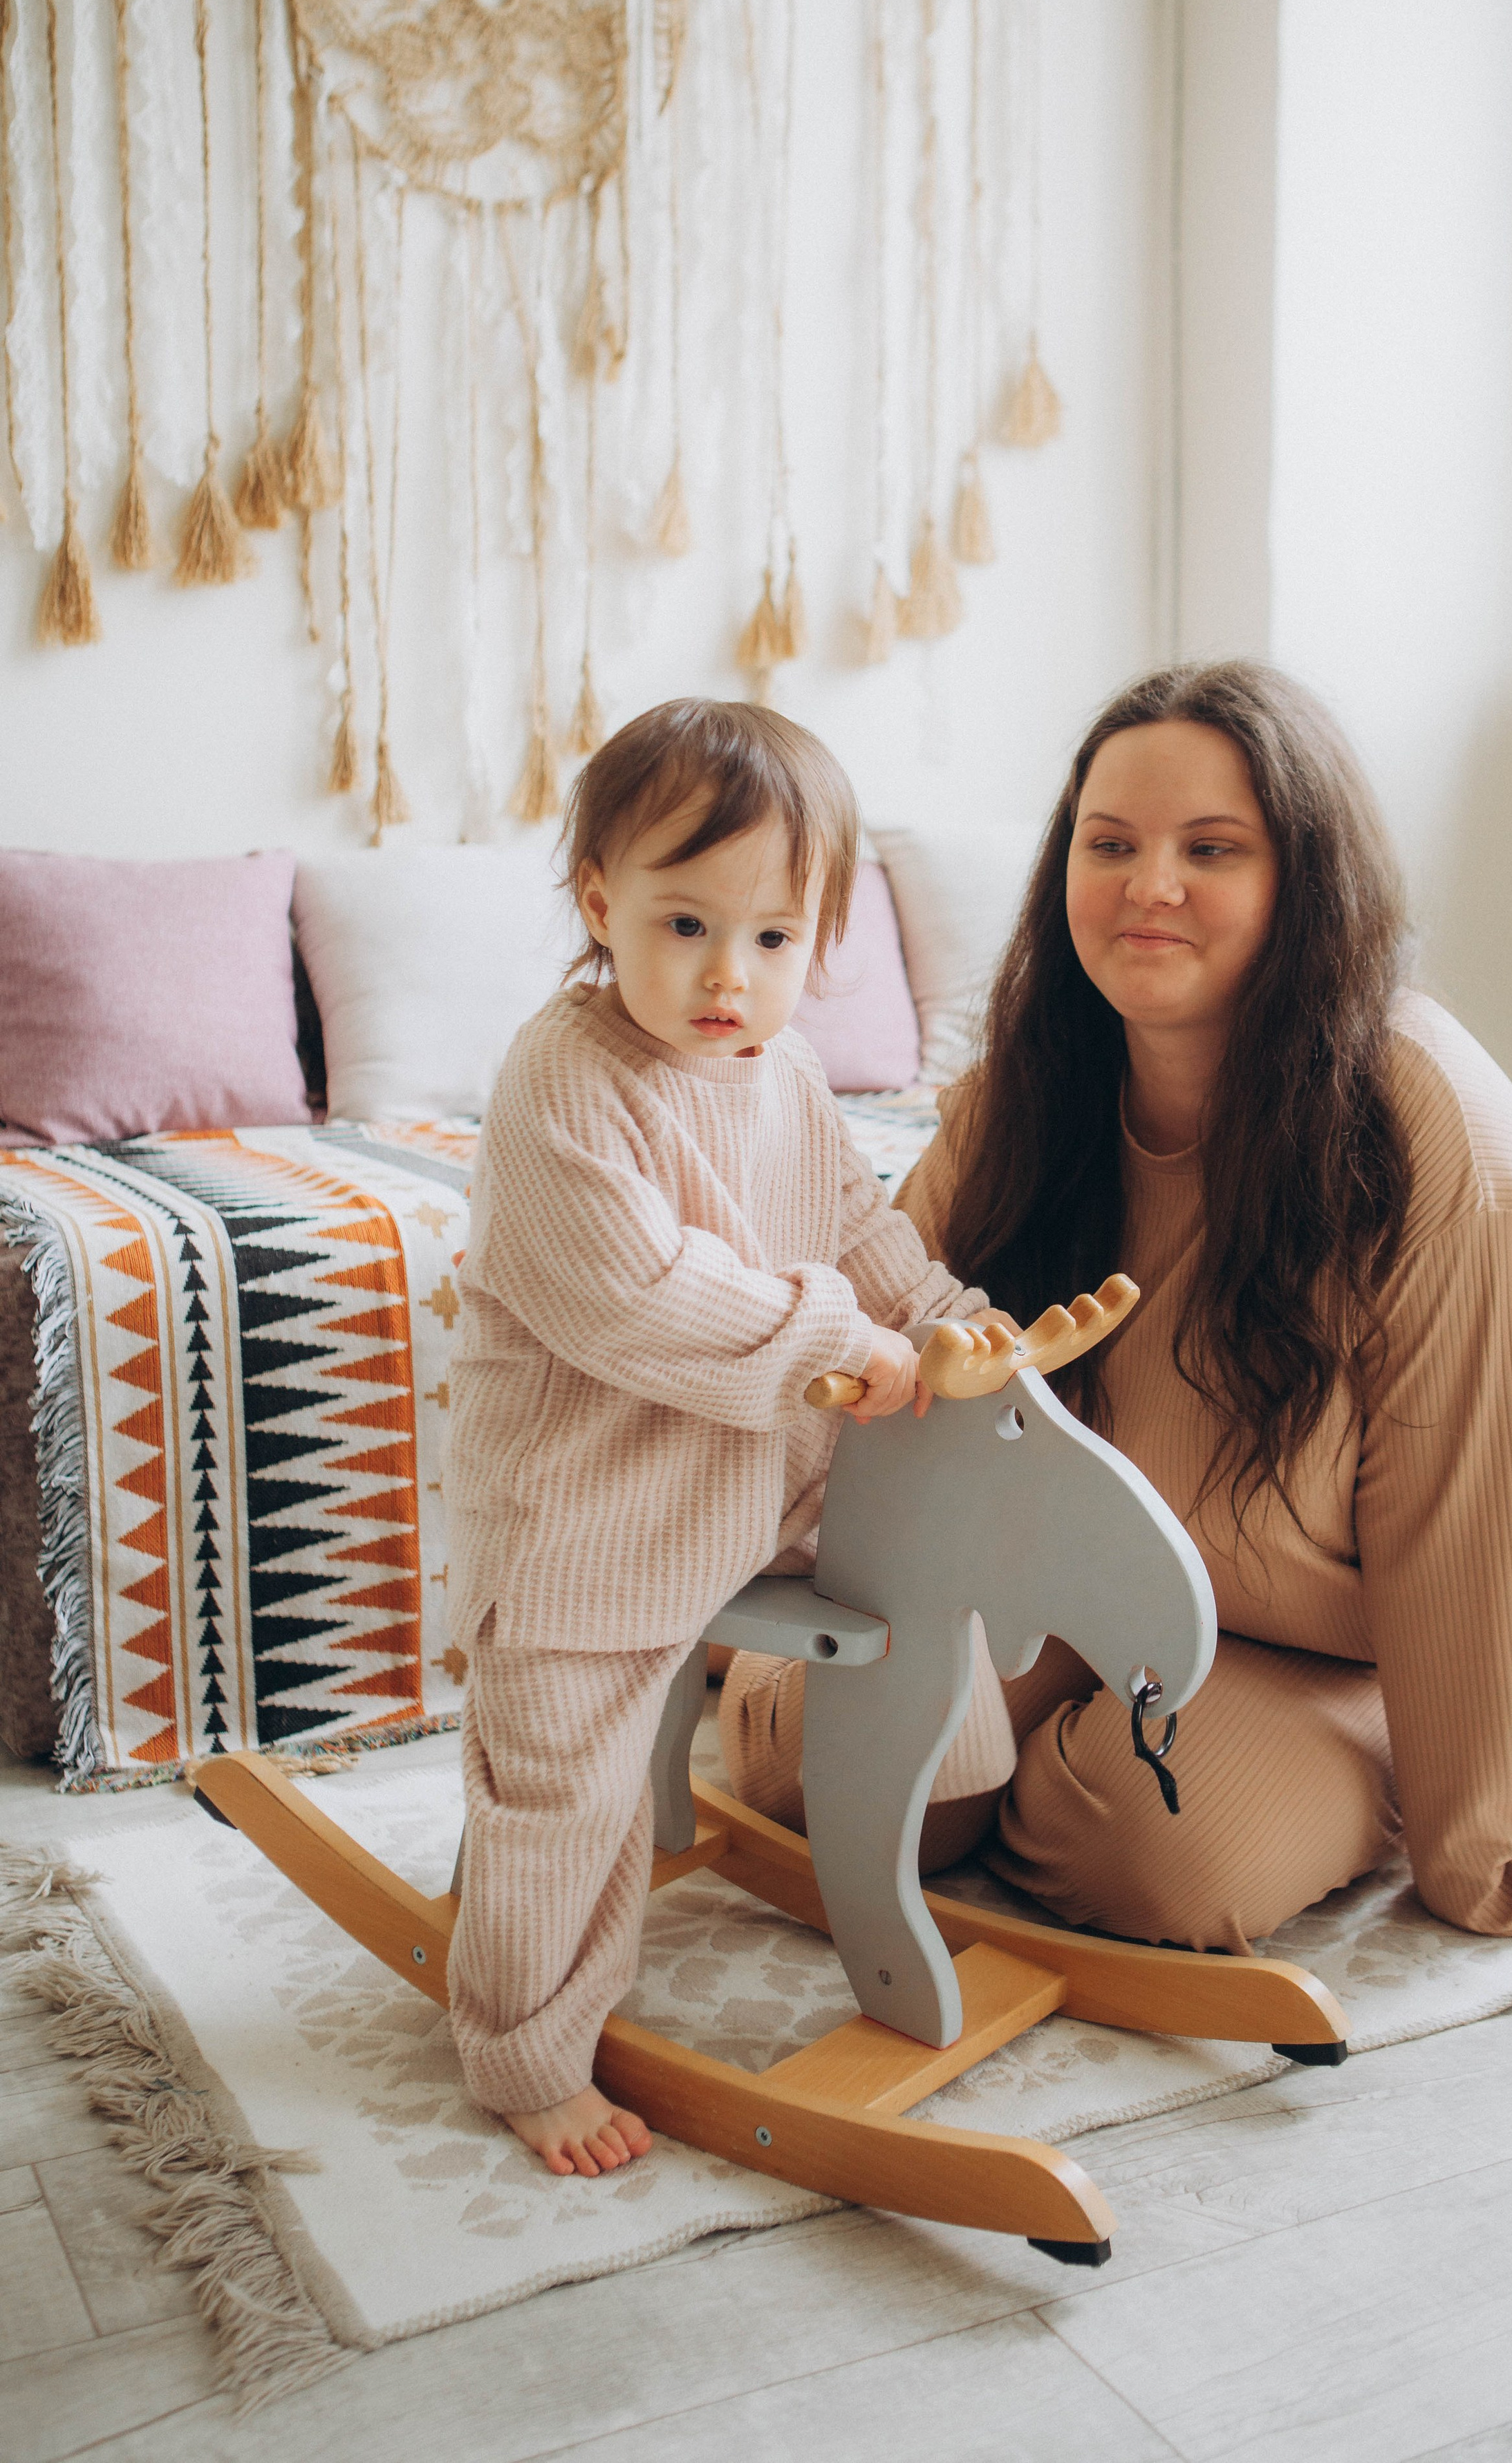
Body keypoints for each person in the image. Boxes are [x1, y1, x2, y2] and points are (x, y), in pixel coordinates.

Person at [722, 661, 1512, 1952]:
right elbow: (885, 1352)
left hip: (1322, 1646)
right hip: (1058, 1576)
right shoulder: (1028, 1088)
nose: (1151, 886)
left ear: (1304, 883)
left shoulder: (1440, 1139)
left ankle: (1318, 1777)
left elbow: (1460, 1520)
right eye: (1112, 845)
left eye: (1212, 849)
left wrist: (1477, 1843)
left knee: (1138, 1845)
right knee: (807, 1764)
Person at [445, 698, 997, 2179]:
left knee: (942, 1530)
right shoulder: (563, 1079)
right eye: (684, 924)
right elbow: (634, 1296)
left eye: (771, 940)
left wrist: (944, 1320)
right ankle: (521, 2047)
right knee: (556, 1785)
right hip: (586, 1508)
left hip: (746, 1469)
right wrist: (842, 1345)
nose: (725, 978)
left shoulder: (789, 1072)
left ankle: (941, 1784)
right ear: (597, 904)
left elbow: (851, 1223)